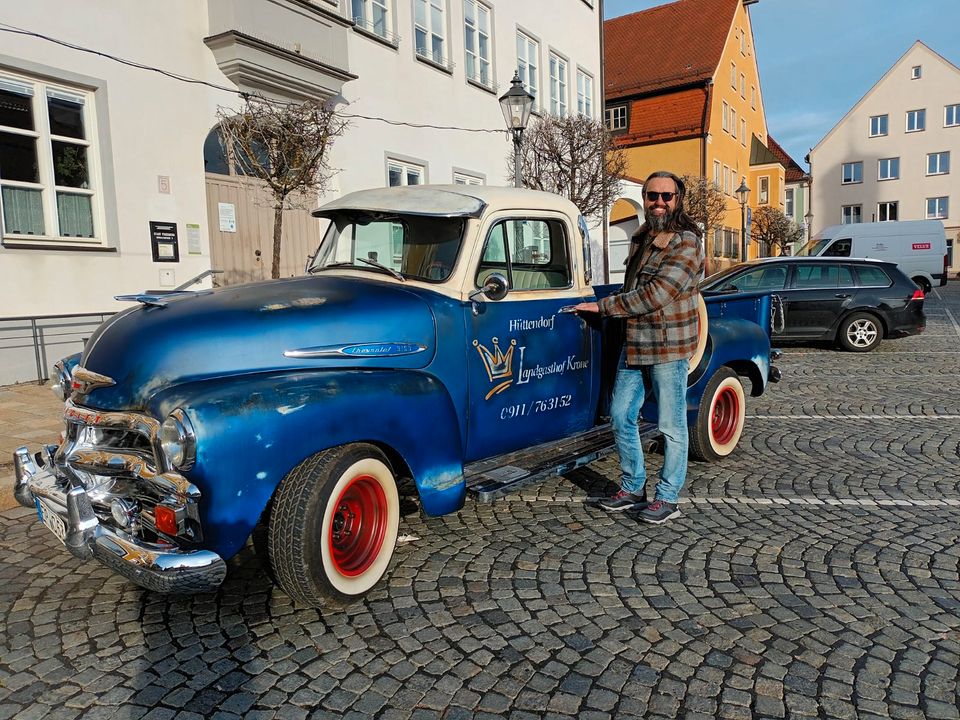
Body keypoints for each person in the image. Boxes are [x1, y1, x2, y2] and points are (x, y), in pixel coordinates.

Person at [573, 170, 704, 524]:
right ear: (644, 199)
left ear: (678, 200)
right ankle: (633, 487)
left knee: (670, 425)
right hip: (635, 343)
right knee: (619, 415)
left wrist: (603, 306)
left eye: (666, 196)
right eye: (652, 196)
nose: (659, 203)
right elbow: (631, 285)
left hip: (667, 345)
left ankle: (668, 497)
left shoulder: (687, 241)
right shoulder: (642, 235)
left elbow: (657, 294)